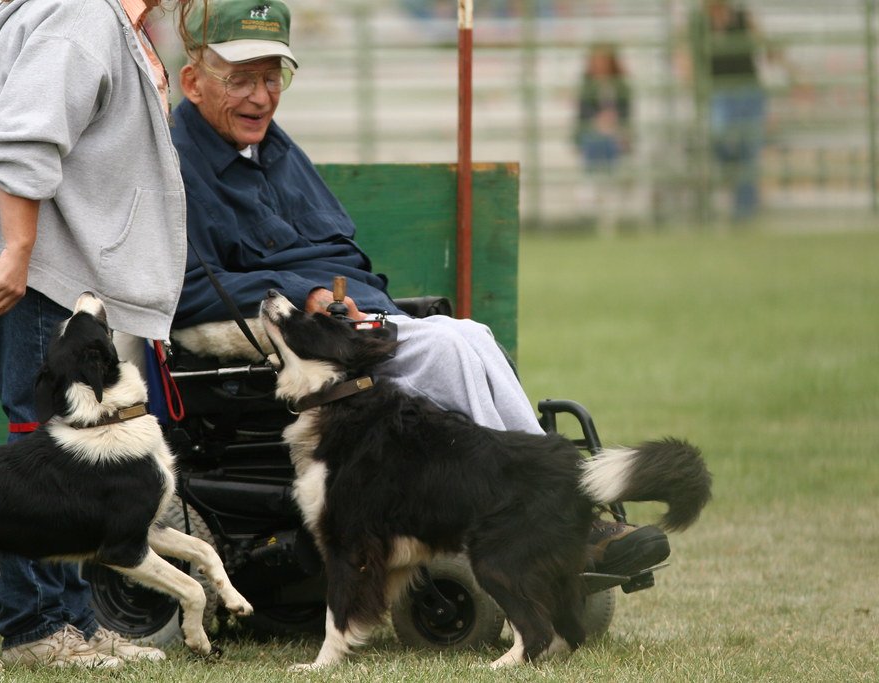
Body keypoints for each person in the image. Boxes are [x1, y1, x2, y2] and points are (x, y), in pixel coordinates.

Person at [170, 0, 671, 576]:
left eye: (271, 77)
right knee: (452, 346)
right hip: (289, 349)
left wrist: (347, 302)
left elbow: (344, 254)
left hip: (353, 324)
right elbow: (185, 290)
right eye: (240, 79)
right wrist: (304, 293)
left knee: (469, 334)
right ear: (193, 81)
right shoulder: (176, 165)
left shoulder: (274, 148)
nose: (260, 96)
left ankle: (562, 510)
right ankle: (553, 517)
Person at [0, 0, 192, 669]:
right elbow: (19, 139)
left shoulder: (112, 19)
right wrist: (19, 250)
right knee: (42, 446)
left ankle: (75, 621)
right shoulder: (83, 17)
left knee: (74, 450)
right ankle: (35, 629)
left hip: (61, 262)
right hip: (37, 264)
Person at [687, 0, 772, 221]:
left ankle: (743, 214)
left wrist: (796, 75)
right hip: (719, 93)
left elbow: (768, 47)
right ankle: (733, 176)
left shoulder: (743, 16)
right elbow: (685, 58)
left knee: (749, 151)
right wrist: (692, 82)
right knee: (719, 138)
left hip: (749, 91)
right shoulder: (697, 22)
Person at [572, 43, 633, 234]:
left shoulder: (622, 87)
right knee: (597, 141)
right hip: (592, 137)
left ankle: (601, 195)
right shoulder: (585, 87)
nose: (600, 66)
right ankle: (594, 189)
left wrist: (613, 125)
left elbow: (627, 117)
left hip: (616, 136)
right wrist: (598, 123)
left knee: (609, 142)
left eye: (604, 62)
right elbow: (581, 119)